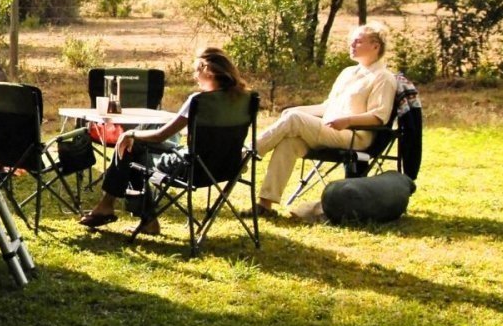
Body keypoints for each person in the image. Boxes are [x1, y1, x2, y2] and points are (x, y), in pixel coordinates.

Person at [77, 48, 252, 235]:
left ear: (208, 71)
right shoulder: (247, 98)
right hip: (228, 167)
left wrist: (131, 135)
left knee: (132, 147)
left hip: (191, 169)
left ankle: (119, 210)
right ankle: (123, 212)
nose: (195, 76)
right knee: (135, 147)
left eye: (197, 71)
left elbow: (160, 136)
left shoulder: (199, 101)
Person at [251, 21, 396, 217]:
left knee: (294, 118)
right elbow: (327, 107)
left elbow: (379, 117)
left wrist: (348, 121)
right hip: (327, 129)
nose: (351, 45)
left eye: (358, 42)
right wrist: (295, 109)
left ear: (375, 46)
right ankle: (265, 206)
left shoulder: (383, 77)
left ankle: (248, 154)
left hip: (353, 136)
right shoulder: (348, 73)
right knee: (289, 141)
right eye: (351, 42)